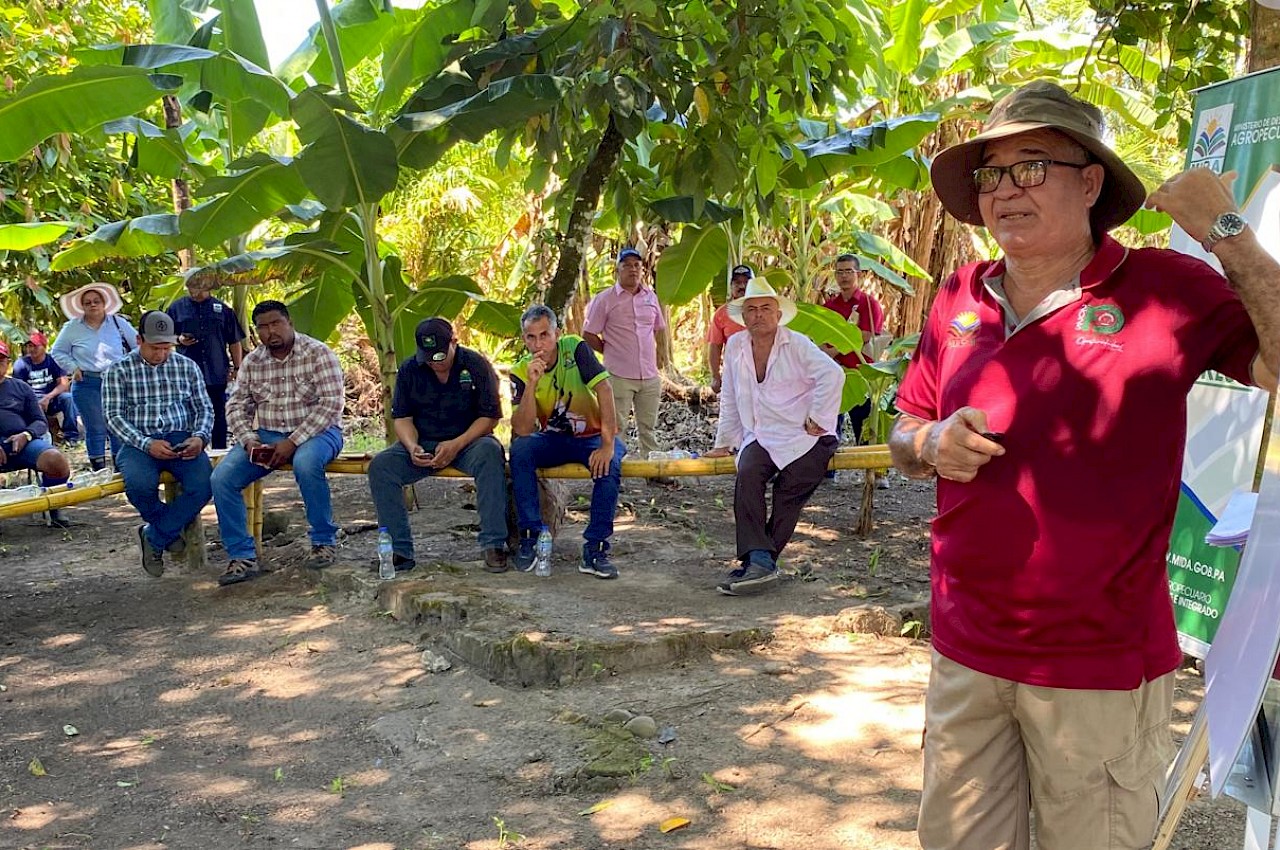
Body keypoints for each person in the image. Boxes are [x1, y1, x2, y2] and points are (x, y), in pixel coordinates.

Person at [888, 81, 1280, 850]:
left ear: (1091, 182)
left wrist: (1228, 232)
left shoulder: (1165, 291)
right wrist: (931, 444)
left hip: (1099, 669)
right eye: (992, 174)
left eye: (1032, 166)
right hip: (966, 651)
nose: (1006, 190)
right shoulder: (959, 297)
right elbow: (907, 428)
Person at [704, 279, 843, 596]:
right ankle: (760, 561)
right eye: (751, 309)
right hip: (764, 433)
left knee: (788, 490)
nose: (759, 315)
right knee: (748, 473)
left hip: (808, 436)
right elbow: (730, 397)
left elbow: (832, 374)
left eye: (766, 308)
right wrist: (725, 442)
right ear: (743, 317)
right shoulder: (736, 346)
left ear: (778, 315)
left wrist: (818, 417)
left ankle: (760, 562)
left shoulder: (797, 343)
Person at [210, 301, 345, 586]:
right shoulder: (253, 362)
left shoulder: (318, 353)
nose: (270, 332)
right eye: (262, 327)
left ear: (289, 322)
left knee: (306, 463)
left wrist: (293, 442)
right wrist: (249, 440)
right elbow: (236, 406)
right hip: (268, 435)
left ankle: (323, 541)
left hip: (319, 433)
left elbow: (331, 405)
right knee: (222, 478)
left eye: (275, 323)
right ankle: (242, 556)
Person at [368, 317, 508, 573]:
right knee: (381, 466)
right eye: (428, 357)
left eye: (440, 356)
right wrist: (412, 446)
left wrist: (457, 444)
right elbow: (402, 418)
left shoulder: (476, 365)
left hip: (469, 442)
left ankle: (494, 544)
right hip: (424, 443)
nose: (435, 362)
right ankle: (398, 551)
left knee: (490, 453)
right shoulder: (409, 369)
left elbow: (489, 417)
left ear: (454, 342)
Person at [509, 304, 625, 579]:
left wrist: (607, 444)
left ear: (557, 334)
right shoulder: (520, 370)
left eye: (545, 335)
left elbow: (604, 388)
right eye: (531, 337)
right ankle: (531, 537)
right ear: (524, 339)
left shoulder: (574, 348)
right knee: (520, 450)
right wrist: (532, 384)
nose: (539, 344)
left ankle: (595, 548)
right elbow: (523, 429)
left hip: (592, 436)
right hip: (554, 438)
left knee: (609, 465)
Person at [103, 311, 213, 578]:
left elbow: (204, 408)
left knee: (205, 484)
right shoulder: (118, 370)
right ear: (139, 340)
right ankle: (167, 531)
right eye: (155, 348)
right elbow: (113, 417)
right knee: (139, 485)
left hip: (180, 437)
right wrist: (146, 443)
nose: (161, 354)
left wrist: (199, 437)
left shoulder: (187, 366)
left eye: (166, 348)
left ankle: (154, 535)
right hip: (137, 441)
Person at [583, 248, 674, 487]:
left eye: (637, 265)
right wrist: (609, 350)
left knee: (648, 427)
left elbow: (658, 329)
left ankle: (652, 471)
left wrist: (659, 358)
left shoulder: (650, 297)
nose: (633, 269)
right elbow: (588, 333)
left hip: (649, 374)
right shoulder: (605, 299)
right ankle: (613, 473)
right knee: (616, 426)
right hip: (619, 374)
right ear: (618, 270)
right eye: (627, 265)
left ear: (642, 270)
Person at [49, 282, 137, 470]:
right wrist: (73, 367)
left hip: (117, 382)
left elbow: (138, 345)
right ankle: (99, 472)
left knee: (118, 426)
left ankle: (121, 470)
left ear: (104, 303)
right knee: (95, 428)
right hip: (87, 383)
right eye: (87, 302)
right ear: (82, 306)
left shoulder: (118, 323)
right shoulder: (72, 327)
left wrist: (130, 368)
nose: (93, 305)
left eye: (96, 301)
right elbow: (57, 351)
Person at [167, 274, 245, 450]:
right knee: (187, 413)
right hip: (185, 374)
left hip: (215, 371)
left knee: (218, 413)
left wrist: (237, 367)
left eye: (198, 287)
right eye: (191, 287)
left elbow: (234, 340)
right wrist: (179, 340)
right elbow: (164, 337)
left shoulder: (223, 310)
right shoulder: (176, 308)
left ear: (208, 286)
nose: (194, 291)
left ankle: (219, 451)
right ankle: (187, 450)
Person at [0, 339, 72, 528]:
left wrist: (26, 435)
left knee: (56, 460)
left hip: (22, 442)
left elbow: (40, 421)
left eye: (1, 359)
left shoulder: (21, 387)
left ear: (7, 362)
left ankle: (54, 505)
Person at [821, 253, 886, 444]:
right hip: (834, 374)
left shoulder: (869, 304)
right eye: (840, 272)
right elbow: (820, 334)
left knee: (862, 426)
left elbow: (865, 335)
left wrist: (834, 351)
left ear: (859, 274)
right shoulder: (829, 306)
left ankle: (867, 461)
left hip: (860, 375)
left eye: (849, 271)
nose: (844, 276)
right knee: (830, 428)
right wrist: (824, 350)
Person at [12, 331, 79, 446]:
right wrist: (33, 402)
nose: (31, 349)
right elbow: (18, 389)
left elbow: (64, 384)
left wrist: (48, 397)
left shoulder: (53, 360)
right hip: (31, 400)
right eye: (29, 346)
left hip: (51, 398)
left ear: (44, 346)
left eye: (35, 346)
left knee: (68, 398)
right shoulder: (21, 364)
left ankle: (71, 436)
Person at [707, 264, 751, 394]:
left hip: (762, 375)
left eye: (746, 282)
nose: (742, 286)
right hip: (733, 374)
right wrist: (715, 376)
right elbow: (715, 346)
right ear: (731, 286)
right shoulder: (722, 314)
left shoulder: (764, 311)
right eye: (737, 283)